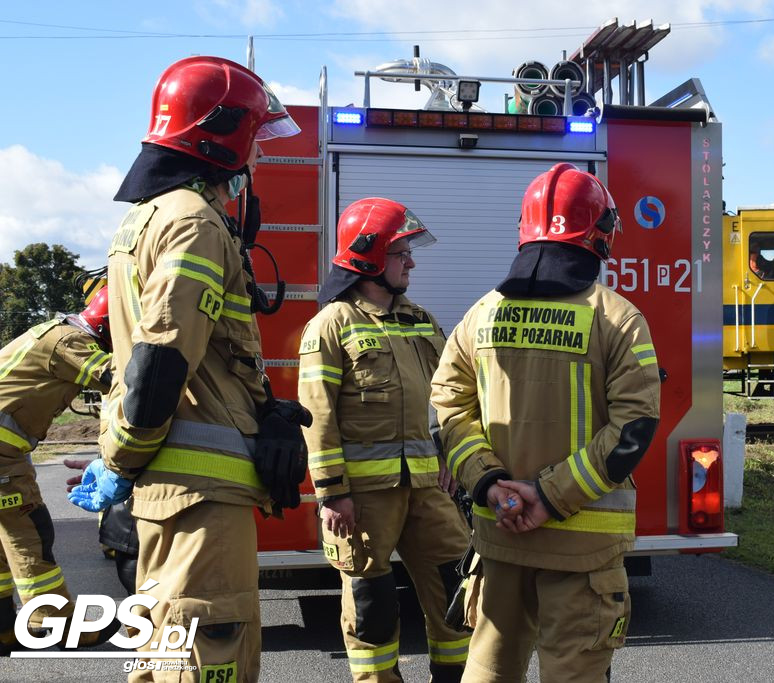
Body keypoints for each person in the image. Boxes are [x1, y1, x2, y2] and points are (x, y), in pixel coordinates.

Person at [68, 56, 306, 681]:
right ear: (225, 134)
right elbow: (161, 361)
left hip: (169, 493)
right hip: (200, 501)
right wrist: (120, 457)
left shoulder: (142, 220)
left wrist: (263, 412)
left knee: (164, 646)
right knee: (207, 648)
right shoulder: (195, 221)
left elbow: (190, 360)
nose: (256, 158)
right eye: (254, 139)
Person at [430, 163, 662, 682]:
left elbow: (448, 407)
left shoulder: (481, 315)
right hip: (584, 549)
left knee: (489, 671)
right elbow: (633, 429)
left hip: (499, 536)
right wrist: (550, 496)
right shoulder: (618, 319)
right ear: (599, 236)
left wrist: (489, 484)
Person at [297, 197, 471, 683]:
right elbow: (317, 414)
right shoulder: (332, 324)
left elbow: (449, 395)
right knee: (372, 609)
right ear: (370, 257)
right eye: (401, 253)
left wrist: (452, 456)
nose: (411, 262)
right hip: (363, 499)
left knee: (458, 589)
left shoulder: (420, 320)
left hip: (428, 489)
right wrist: (332, 494)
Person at [0, 290, 120, 654]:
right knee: (30, 536)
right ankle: (54, 626)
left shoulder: (52, 331)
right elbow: (124, 380)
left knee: (3, 548)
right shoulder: (71, 343)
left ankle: (4, 628)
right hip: (2, 459)